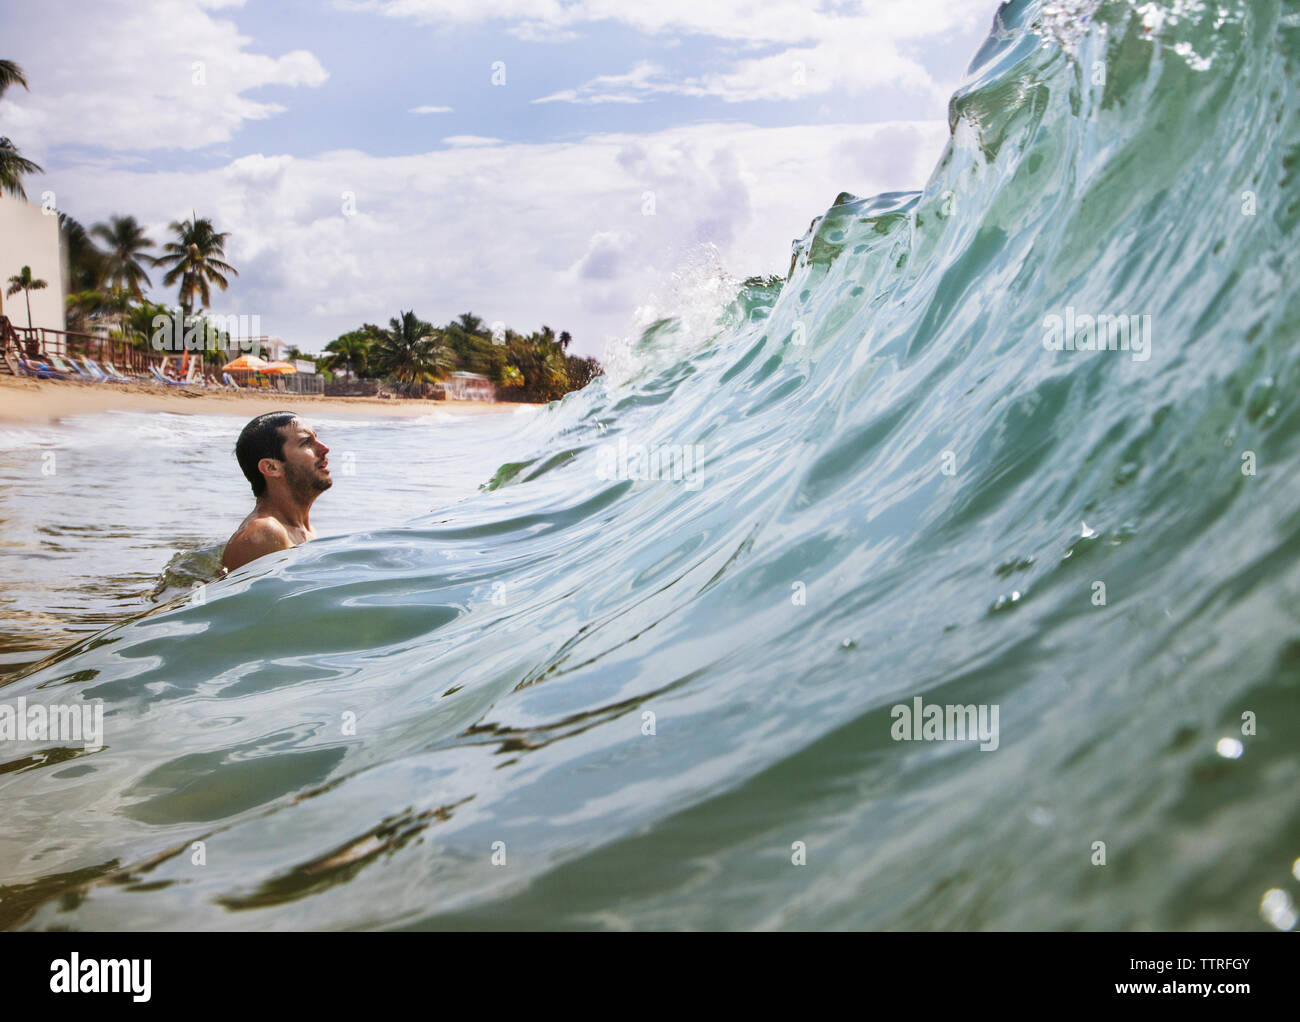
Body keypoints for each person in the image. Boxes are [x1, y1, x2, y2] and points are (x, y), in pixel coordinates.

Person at [221, 412, 332, 572]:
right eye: (307, 442)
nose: (324, 448)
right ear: (271, 467)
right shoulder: (265, 532)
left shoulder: (307, 532)